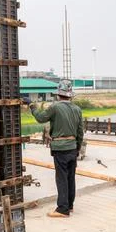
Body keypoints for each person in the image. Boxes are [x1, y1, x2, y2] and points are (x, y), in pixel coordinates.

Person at [22, 80, 83, 218]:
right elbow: (80, 132)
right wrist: (77, 148)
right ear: (70, 96)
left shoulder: (55, 107)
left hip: (60, 148)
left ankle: (62, 209)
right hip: (72, 148)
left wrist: (32, 105)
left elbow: (40, 118)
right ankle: (69, 205)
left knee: (61, 178)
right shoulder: (77, 109)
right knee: (70, 177)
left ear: (58, 95)